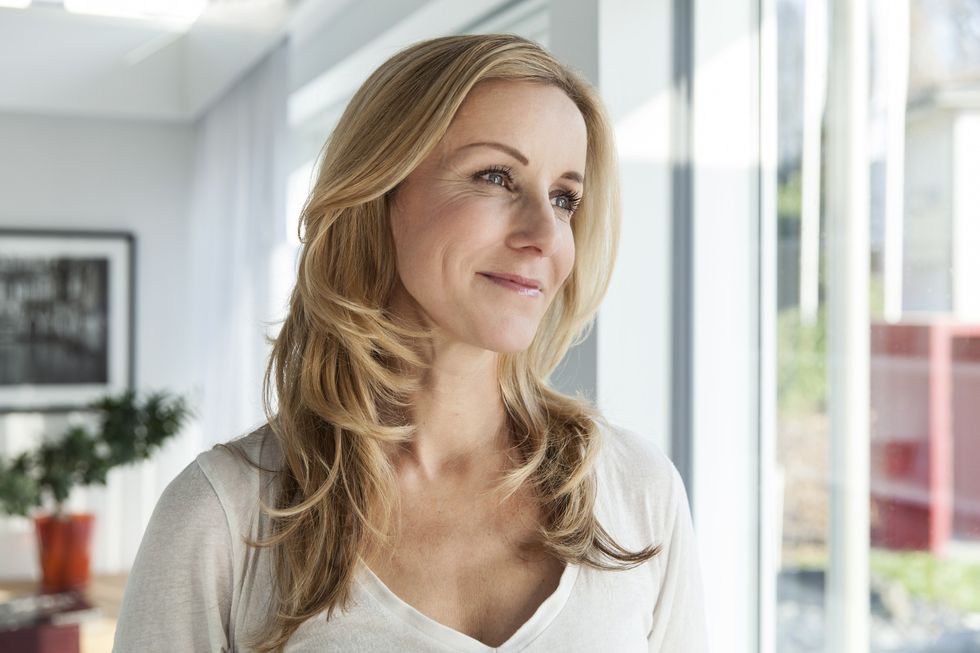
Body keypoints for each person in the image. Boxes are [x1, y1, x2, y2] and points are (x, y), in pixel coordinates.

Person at [113, 34, 708, 652]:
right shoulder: (222, 518)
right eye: (497, 176)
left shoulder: (638, 491)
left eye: (564, 198)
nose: (544, 233)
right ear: (379, 193)